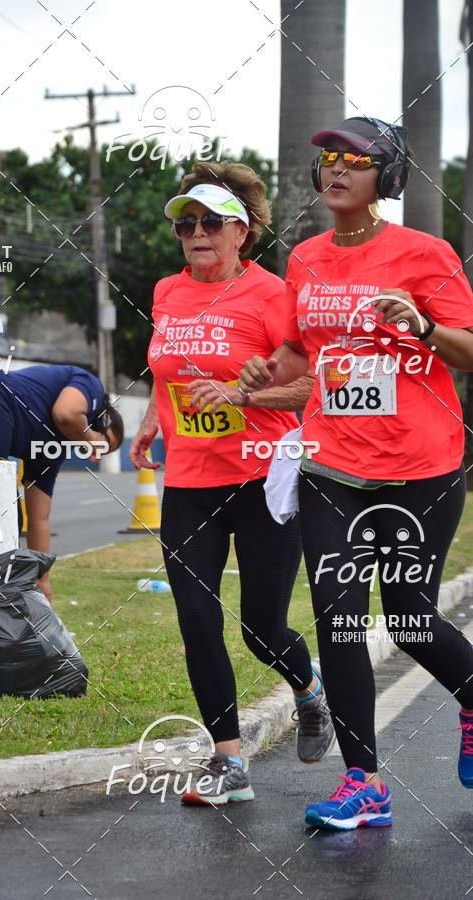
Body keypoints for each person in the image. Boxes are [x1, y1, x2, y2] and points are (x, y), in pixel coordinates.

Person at [239, 116, 473, 829]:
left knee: (408, 618)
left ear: (389, 177)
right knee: (339, 622)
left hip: (421, 468)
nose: (338, 168)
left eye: (357, 159)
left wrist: (423, 328)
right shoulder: (306, 259)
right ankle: (364, 783)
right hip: (332, 465)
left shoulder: (425, 254)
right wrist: (263, 371)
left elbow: (469, 350)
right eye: (330, 158)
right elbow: (299, 353)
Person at [130, 162, 336, 806]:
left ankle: (310, 692)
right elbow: (167, 368)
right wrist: (150, 420)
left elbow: (313, 386)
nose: (197, 233)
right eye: (186, 223)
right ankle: (227, 762)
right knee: (196, 619)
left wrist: (243, 397)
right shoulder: (167, 291)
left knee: (261, 629)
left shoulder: (272, 295)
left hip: (262, 477)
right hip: (191, 481)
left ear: (241, 232)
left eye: (212, 222)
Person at [0, 365, 123, 602]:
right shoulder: (90, 384)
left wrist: (42, 579)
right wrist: (92, 437)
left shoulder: (53, 449)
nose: (96, 453)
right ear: (99, 421)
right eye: (103, 444)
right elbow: (66, 414)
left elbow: (39, 519)